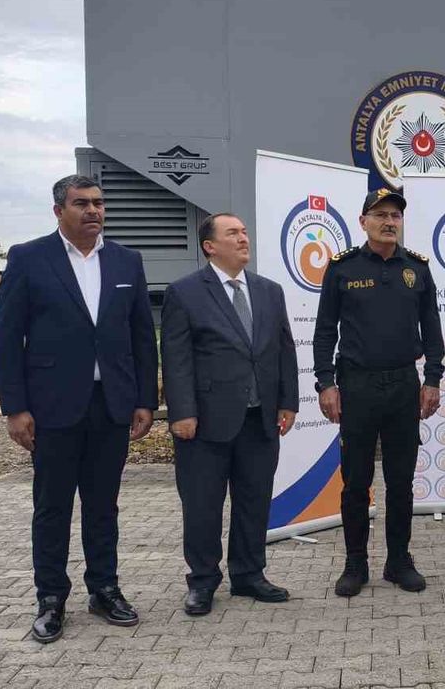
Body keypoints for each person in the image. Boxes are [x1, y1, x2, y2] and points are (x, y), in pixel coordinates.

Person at [0, 174, 158, 643]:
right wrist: (15, 407)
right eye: (81, 203)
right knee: (52, 507)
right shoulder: (29, 258)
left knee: (103, 505)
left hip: (111, 406)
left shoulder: (126, 260)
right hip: (52, 408)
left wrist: (145, 398)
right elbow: (7, 339)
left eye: (99, 203)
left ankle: (104, 589)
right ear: (58, 211)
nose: (93, 211)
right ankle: (50, 598)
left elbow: (142, 336)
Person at [161, 213, 299, 615]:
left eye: (244, 232)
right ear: (209, 246)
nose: (243, 238)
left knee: (254, 501)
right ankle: (203, 581)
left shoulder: (269, 291)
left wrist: (287, 402)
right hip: (205, 423)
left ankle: (249, 574)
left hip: (259, 419)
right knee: (202, 505)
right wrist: (182, 412)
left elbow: (284, 350)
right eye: (232, 233)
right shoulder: (185, 292)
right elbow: (176, 358)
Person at [313, 188, 444, 597]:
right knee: (356, 481)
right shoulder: (342, 268)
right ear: (363, 222)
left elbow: (432, 329)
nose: (389, 222)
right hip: (357, 386)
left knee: (401, 480)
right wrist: (326, 383)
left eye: (395, 216)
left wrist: (433, 379)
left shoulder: (417, 268)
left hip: (404, 385)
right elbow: (324, 331)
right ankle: (355, 563)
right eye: (381, 215)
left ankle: (398, 560)